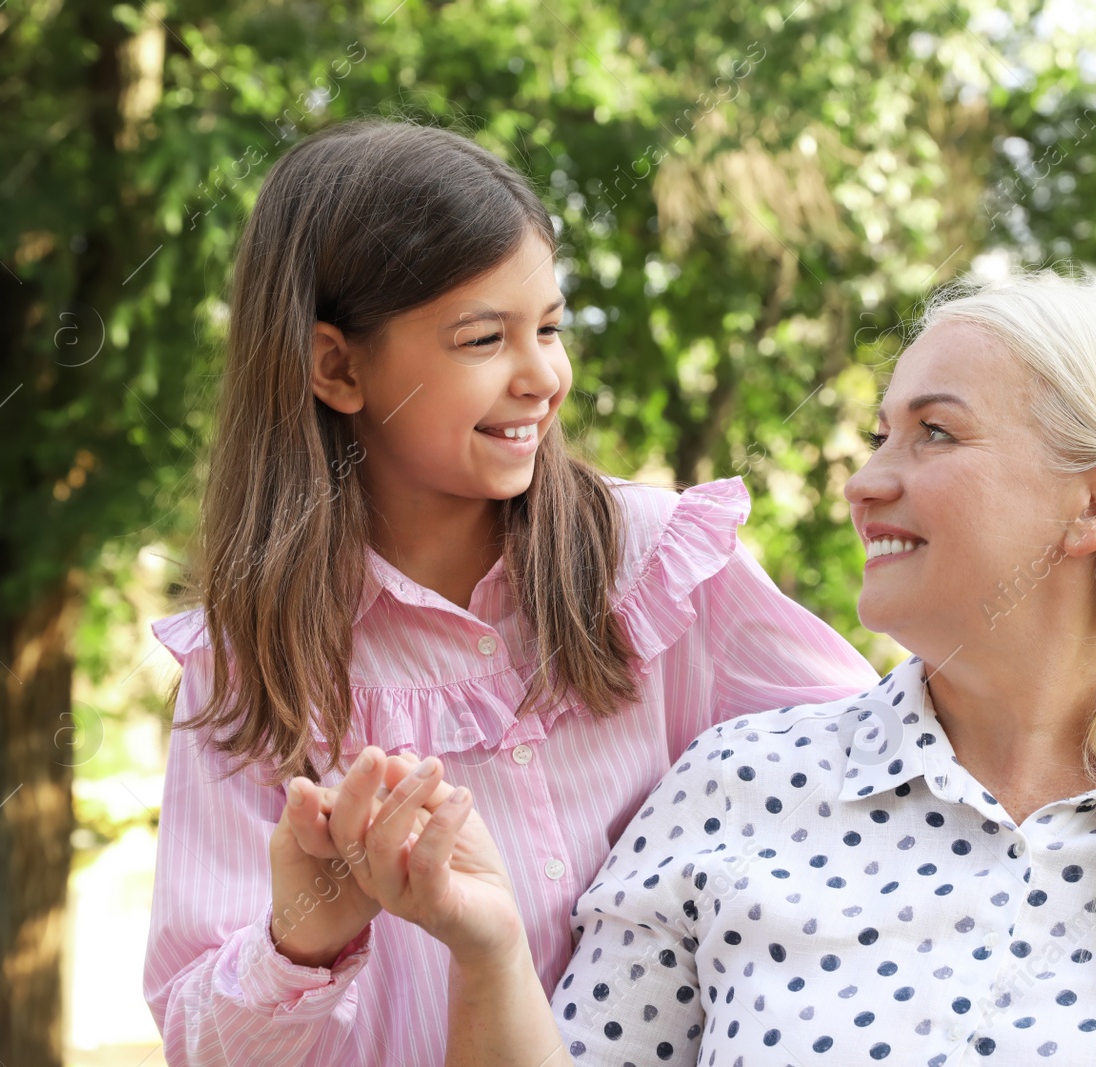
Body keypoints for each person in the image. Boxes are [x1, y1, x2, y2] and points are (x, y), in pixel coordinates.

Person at [340, 272, 1096, 1066]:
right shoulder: (736, 786)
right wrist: (484, 947)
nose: (868, 479)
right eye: (879, 434)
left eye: (934, 434)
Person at [140, 118, 877, 1067]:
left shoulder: (658, 565)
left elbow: (871, 774)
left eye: (551, 328)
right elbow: (201, 1048)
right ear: (337, 366)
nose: (543, 377)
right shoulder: (248, 668)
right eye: (484, 337)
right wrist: (305, 934)